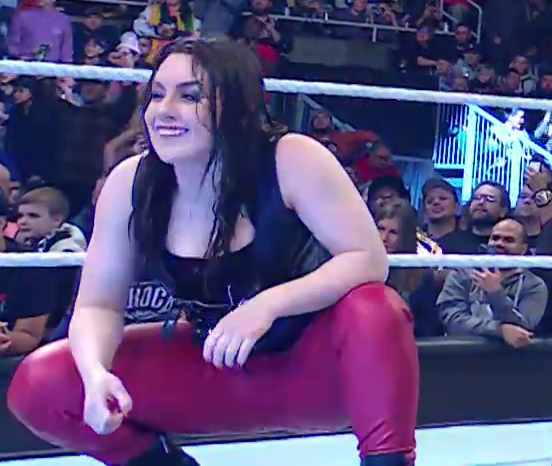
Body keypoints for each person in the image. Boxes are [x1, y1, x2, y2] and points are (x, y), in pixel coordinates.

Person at [5, 38, 417, 465]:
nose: (164, 111)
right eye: (157, 94)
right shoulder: (131, 182)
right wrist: (95, 376)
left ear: (236, 107)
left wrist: (268, 305)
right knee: (43, 382)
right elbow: (98, 305)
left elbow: (367, 258)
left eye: (190, 96)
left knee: (375, 307)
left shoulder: (292, 157)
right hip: (217, 365)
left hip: (318, 369)